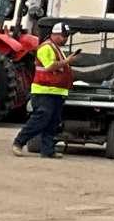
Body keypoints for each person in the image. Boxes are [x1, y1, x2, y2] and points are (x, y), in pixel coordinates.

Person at [14, 23, 75, 157]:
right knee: (40, 119)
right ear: (55, 34)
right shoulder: (46, 48)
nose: (66, 39)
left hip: (56, 92)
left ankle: (48, 150)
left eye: (67, 36)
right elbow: (50, 66)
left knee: (53, 122)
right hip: (43, 91)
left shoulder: (57, 48)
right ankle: (19, 142)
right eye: (64, 36)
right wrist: (67, 61)